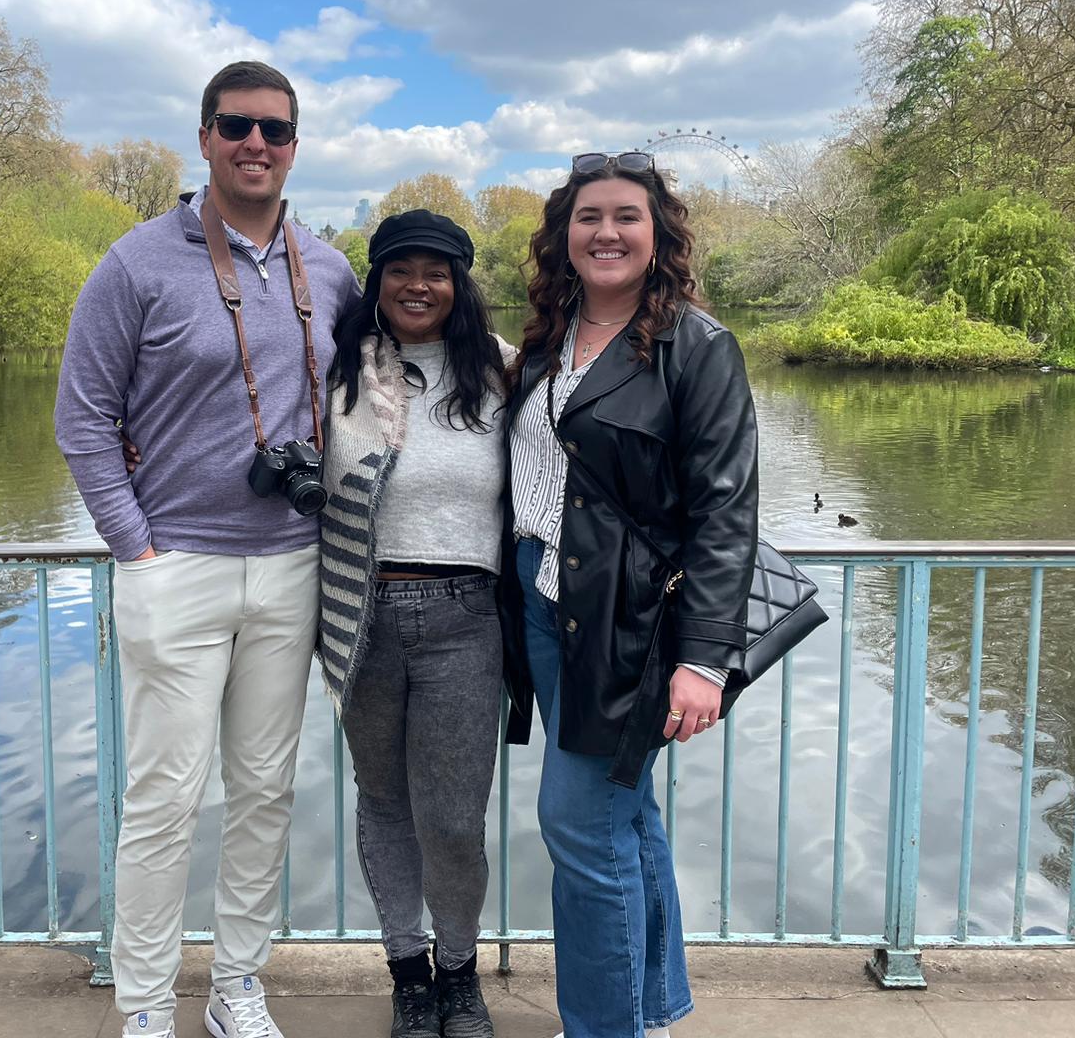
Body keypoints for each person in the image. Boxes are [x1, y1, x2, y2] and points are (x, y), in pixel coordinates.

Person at [55, 60, 361, 1038]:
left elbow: (378, 393)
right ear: (204, 138)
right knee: (163, 801)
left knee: (266, 793)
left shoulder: (331, 270)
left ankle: (238, 987)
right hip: (176, 563)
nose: (255, 143)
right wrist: (134, 549)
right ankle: (146, 1003)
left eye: (275, 129)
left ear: (295, 146)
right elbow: (83, 418)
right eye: (236, 126)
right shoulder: (136, 264)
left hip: (294, 565)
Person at [499, 152, 760, 1038]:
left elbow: (726, 511)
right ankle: (647, 1011)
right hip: (543, 602)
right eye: (588, 217)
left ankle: (602, 1027)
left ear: (659, 235)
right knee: (624, 816)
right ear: (563, 235)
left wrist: (705, 658)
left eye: (625, 216)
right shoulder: (549, 337)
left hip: (632, 623)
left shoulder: (697, 347)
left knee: (578, 825)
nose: (605, 232)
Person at [318, 210, 513, 1038]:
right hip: (359, 617)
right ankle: (408, 974)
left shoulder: (503, 371)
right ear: (378, 281)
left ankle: (459, 972)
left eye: (437, 271)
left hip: (466, 620)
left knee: (454, 820)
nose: (418, 285)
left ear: (460, 284)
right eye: (401, 269)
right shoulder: (340, 369)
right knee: (385, 803)